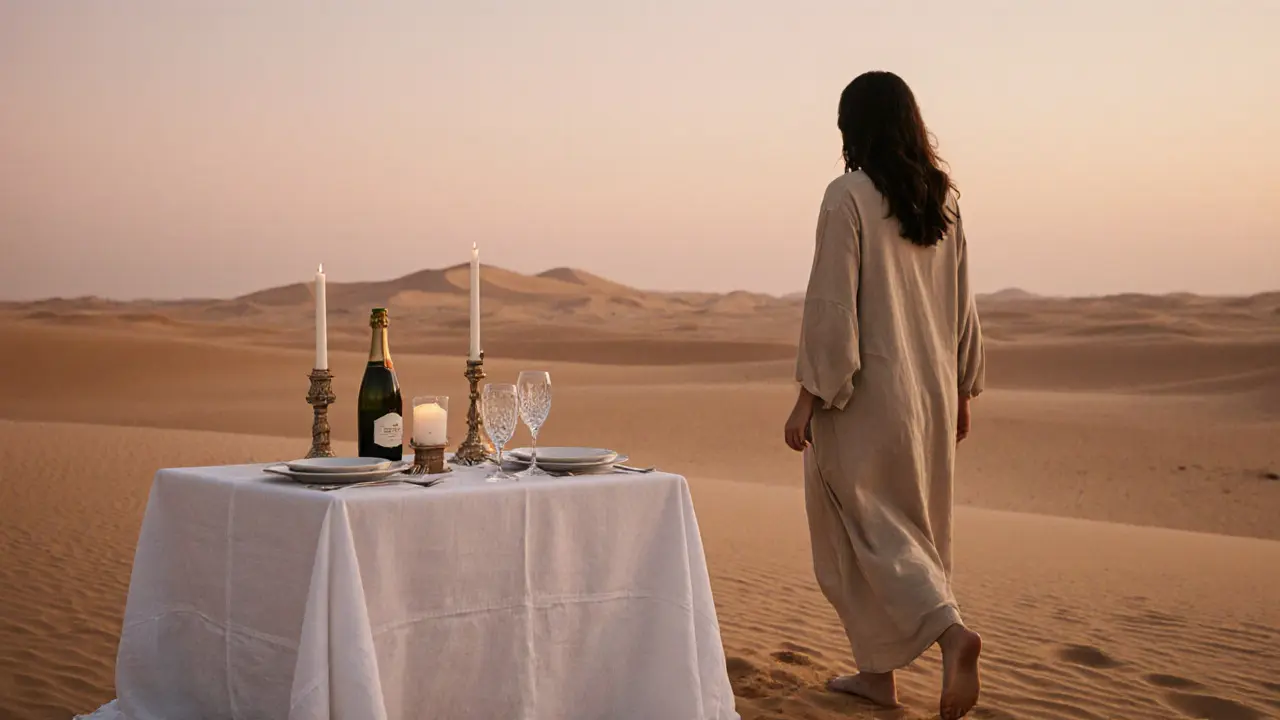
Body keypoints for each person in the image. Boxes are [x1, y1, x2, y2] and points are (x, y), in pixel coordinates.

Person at [783, 71, 986, 720]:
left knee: (866, 529)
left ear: (854, 129)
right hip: (927, 398)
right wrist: (960, 393)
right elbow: (964, 309)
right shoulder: (943, 201)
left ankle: (951, 635)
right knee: (905, 529)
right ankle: (879, 676)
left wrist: (809, 397)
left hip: (867, 399)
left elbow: (832, 306)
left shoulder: (846, 197)